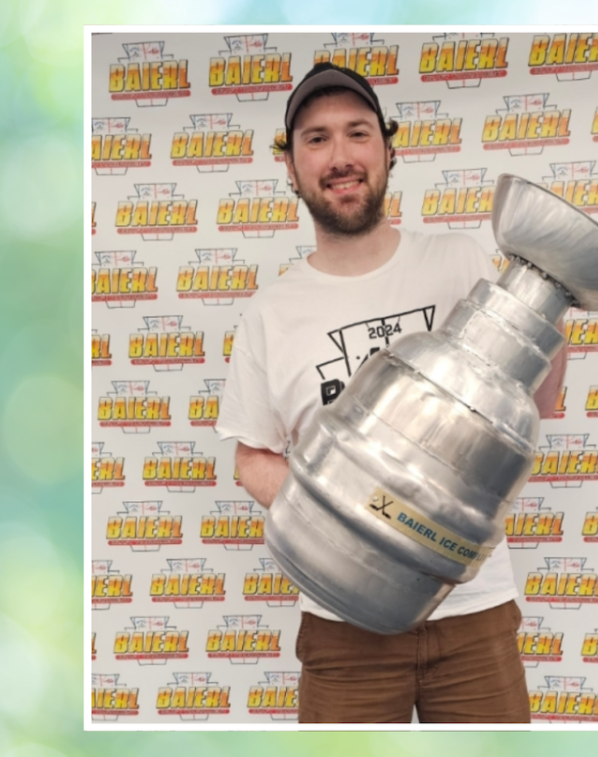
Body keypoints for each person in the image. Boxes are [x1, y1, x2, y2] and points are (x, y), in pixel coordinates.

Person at [215, 62, 566, 723]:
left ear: (388, 150)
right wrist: (352, 520)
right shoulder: (270, 311)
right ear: (289, 166)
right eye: (316, 139)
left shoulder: (459, 260)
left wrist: (551, 300)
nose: (341, 156)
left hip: (474, 614)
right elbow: (252, 457)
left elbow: (540, 406)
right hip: (342, 624)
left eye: (358, 133)